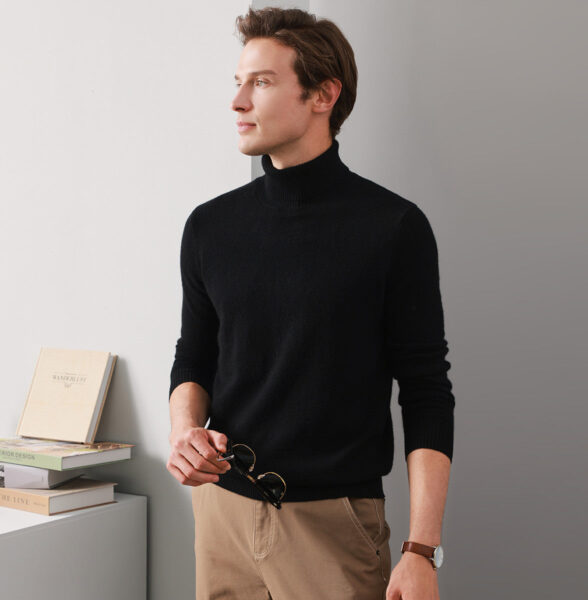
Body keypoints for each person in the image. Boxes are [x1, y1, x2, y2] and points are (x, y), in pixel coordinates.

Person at [166, 7, 454, 600]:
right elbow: (194, 357)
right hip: (221, 518)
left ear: (323, 95)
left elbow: (426, 391)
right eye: (238, 82)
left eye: (261, 82)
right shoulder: (209, 227)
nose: (238, 102)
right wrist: (185, 430)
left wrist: (421, 551)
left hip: (332, 526)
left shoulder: (393, 228)